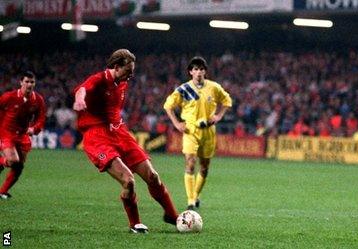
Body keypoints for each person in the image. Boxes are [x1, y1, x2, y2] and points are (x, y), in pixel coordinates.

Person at [72, 49, 178, 233]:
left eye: (132, 72)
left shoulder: (122, 82)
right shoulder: (99, 79)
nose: (130, 76)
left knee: (152, 176)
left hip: (120, 133)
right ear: (116, 67)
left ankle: (172, 215)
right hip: (97, 137)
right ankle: (135, 223)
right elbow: (82, 89)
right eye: (128, 71)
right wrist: (80, 100)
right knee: (128, 181)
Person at [164, 56, 232, 210]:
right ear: (190, 72)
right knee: (190, 162)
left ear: (205, 71)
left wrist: (218, 116)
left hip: (208, 132)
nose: (199, 72)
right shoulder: (183, 89)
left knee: (204, 167)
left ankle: (195, 194)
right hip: (191, 131)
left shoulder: (214, 87)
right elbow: (168, 106)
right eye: (195, 69)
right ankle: (190, 201)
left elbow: (227, 101)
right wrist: (176, 124)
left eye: (201, 69)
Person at [0, 71, 46, 200]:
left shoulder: (38, 100)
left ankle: (3, 191)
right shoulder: (8, 97)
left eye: (32, 82)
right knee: (13, 160)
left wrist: (34, 129)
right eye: (27, 81)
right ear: (21, 82)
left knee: (18, 166)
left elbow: (41, 119)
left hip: (23, 136)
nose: (29, 84)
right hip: (6, 134)